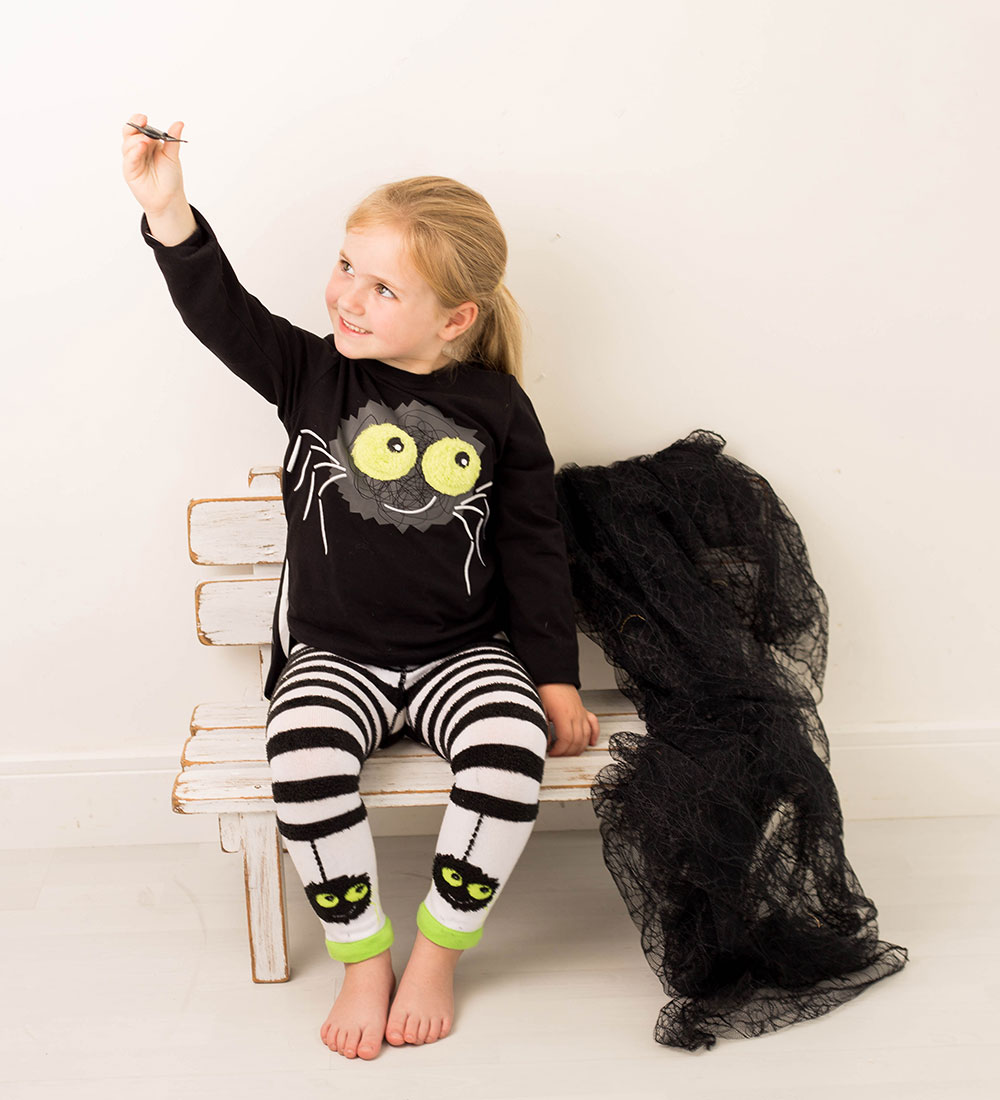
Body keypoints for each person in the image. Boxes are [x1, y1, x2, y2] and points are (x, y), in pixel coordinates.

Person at [121, 113, 600, 1061]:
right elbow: (222, 311)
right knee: (297, 760)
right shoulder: (310, 374)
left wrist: (554, 678)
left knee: (510, 752)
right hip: (335, 658)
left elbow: (536, 547)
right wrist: (168, 212)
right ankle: (363, 953)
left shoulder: (499, 409)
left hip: (466, 654)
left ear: (454, 318)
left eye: (384, 287)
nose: (350, 297)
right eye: (347, 267)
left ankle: (437, 950)